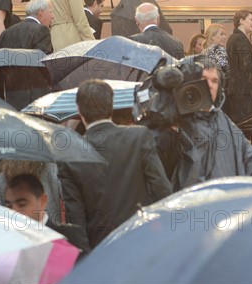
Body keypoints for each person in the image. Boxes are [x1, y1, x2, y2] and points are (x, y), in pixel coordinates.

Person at [58, 80, 172, 246]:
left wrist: (87, 258)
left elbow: (76, 219)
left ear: (79, 111)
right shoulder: (139, 137)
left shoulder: (70, 155)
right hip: (142, 239)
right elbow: (162, 190)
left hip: (102, 249)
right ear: (111, 107)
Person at [170, 56, 252, 190]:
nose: (210, 85)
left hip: (228, 204)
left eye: (215, 81)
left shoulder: (225, 121)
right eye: (204, 79)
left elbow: (251, 162)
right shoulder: (175, 121)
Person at [4, 173, 90, 257]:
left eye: (22, 204)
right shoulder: (6, 243)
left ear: (42, 201)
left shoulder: (70, 237)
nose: (14, 211)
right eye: (9, 206)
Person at [0, 160, 63, 224]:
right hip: (51, 231)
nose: (16, 211)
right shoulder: (52, 169)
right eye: (9, 206)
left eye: (22, 204)